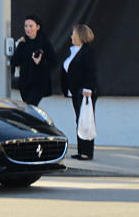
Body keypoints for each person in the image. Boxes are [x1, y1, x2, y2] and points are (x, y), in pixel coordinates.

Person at [61, 24, 98, 160]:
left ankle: (87, 152)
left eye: (73, 34)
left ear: (80, 36)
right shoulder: (73, 51)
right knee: (79, 120)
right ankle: (81, 150)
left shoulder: (88, 52)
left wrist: (88, 89)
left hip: (84, 92)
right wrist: (65, 89)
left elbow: (91, 71)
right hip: (74, 91)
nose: (71, 36)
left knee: (85, 120)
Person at [11, 14, 56, 106]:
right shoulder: (23, 43)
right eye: (26, 26)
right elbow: (14, 62)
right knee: (29, 108)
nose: (28, 29)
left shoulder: (45, 43)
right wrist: (19, 46)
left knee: (30, 107)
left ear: (38, 27)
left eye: (31, 26)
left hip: (39, 83)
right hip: (25, 83)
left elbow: (53, 62)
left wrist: (40, 62)